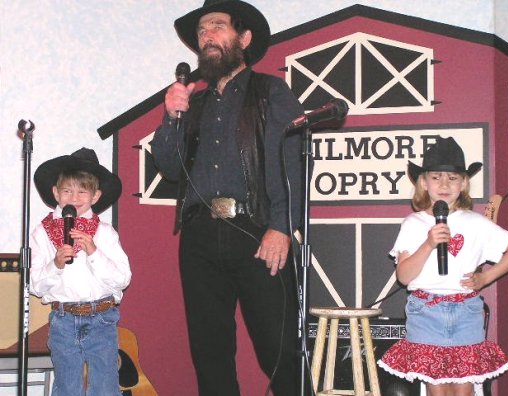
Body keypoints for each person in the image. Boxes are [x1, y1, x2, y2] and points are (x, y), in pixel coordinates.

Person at [150, 0, 304, 394]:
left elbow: (294, 164)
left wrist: (281, 227)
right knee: (210, 352)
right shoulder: (193, 102)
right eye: (202, 31)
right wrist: (170, 118)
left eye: (217, 26)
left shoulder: (271, 91)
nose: (206, 37)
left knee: (279, 347)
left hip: (256, 231)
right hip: (200, 236)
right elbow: (169, 166)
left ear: (244, 37)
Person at [377, 137, 508, 396]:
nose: (444, 184)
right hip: (426, 311)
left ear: (464, 183)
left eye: (453, 177)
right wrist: (428, 244)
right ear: (423, 182)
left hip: (466, 311)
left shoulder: (475, 222)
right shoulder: (413, 224)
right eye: (436, 177)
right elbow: (404, 276)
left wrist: (486, 277)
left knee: (463, 389)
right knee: (438, 389)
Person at [30, 147, 132, 396]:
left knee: (105, 388)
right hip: (63, 320)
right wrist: (56, 264)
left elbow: (123, 278)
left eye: (82, 191)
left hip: (102, 318)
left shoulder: (105, 232)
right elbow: (34, 285)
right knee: (68, 388)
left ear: (95, 196)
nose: (74, 197)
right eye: (67, 190)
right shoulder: (42, 232)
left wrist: (94, 251)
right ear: (56, 193)